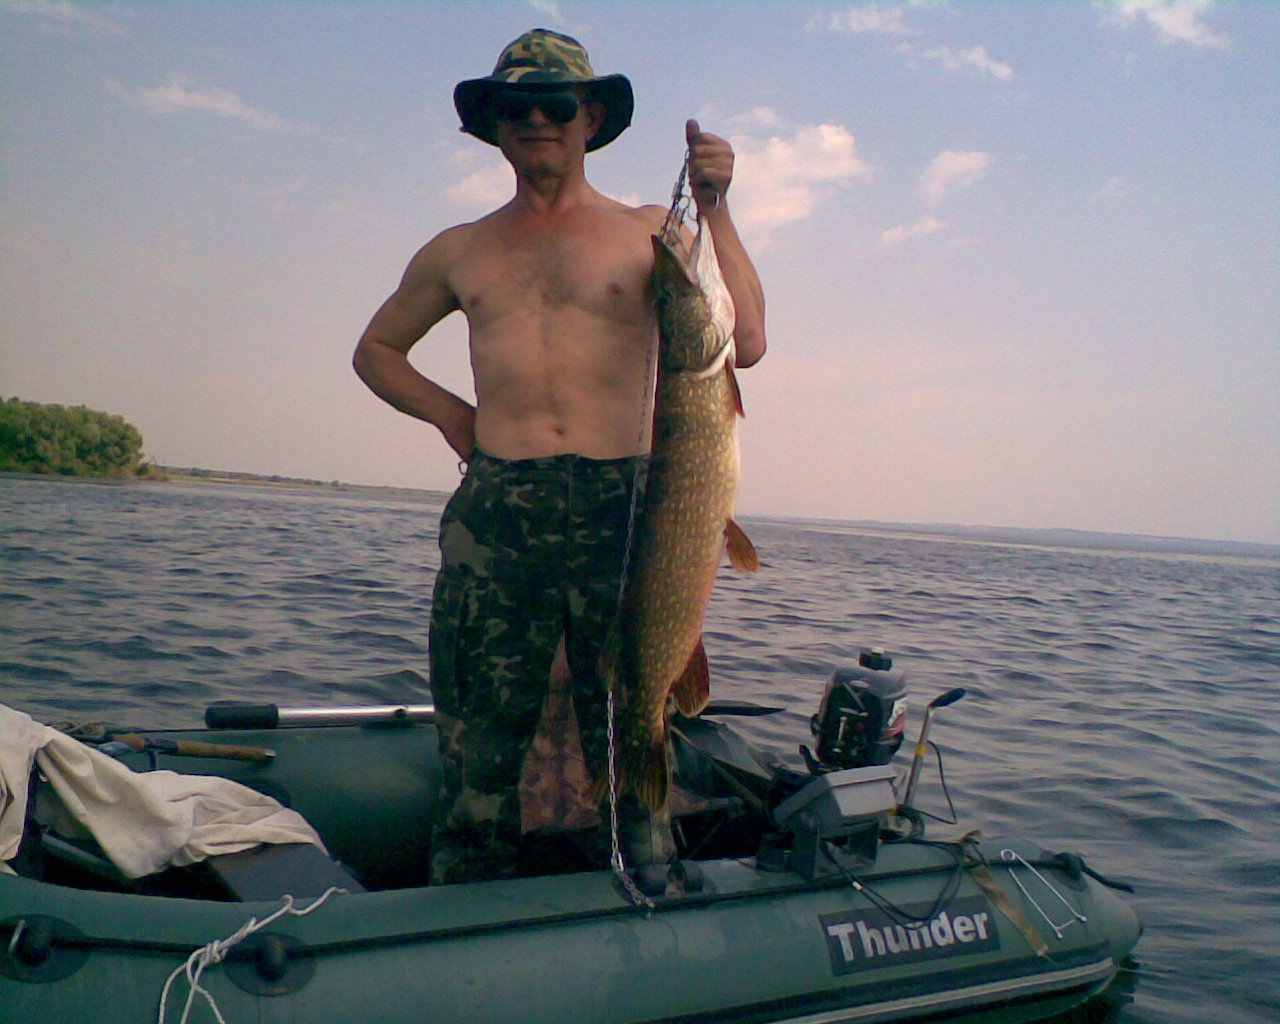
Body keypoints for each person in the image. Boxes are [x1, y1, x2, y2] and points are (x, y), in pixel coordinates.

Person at [353, 28, 766, 884]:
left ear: (592, 119)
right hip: (500, 509)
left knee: (629, 708)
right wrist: (453, 418)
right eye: (516, 106)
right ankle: (465, 894)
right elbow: (377, 352)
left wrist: (717, 208)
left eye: (555, 103)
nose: (536, 119)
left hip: (630, 506)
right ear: (495, 126)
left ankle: (645, 875)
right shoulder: (458, 249)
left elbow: (749, 340)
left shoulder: (651, 233)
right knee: (478, 719)